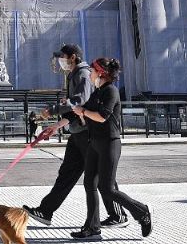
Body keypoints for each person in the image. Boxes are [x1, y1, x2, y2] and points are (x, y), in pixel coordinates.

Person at [23, 44, 126, 230]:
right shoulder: (74, 75)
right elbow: (75, 111)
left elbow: (80, 102)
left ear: (73, 57)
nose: (60, 61)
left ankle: (118, 214)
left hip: (87, 134)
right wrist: (56, 126)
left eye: (62, 57)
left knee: (102, 177)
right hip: (77, 133)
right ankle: (46, 211)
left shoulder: (83, 74)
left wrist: (53, 110)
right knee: (67, 174)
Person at [70, 58, 153, 239]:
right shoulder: (96, 92)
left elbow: (102, 117)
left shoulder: (111, 91)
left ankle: (141, 212)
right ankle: (92, 227)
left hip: (109, 143)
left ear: (100, 73)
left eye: (92, 71)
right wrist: (77, 111)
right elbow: (87, 117)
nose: (90, 74)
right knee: (89, 184)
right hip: (94, 143)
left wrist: (83, 111)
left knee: (107, 188)